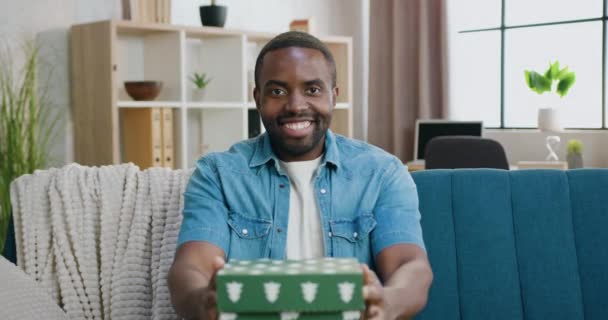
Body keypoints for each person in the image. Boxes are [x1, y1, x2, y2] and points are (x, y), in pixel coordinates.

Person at [168, 31, 433, 320]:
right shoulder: (217, 174)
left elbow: (410, 265)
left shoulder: (382, 172)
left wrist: (388, 303)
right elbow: (190, 268)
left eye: (312, 89)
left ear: (334, 96)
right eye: (278, 91)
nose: (295, 105)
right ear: (258, 98)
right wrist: (203, 302)